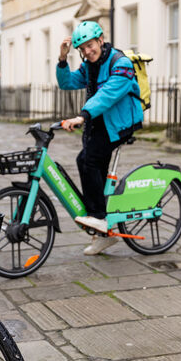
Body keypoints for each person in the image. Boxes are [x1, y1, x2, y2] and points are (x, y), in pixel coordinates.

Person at [56, 21, 144, 255]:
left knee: (91, 160)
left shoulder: (120, 63)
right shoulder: (89, 67)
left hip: (118, 124)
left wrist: (83, 115)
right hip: (99, 124)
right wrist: (63, 60)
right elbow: (67, 83)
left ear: (100, 41)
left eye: (90, 46)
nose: (87, 52)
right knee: (83, 161)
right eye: (82, 49)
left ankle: (99, 217)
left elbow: (108, 95)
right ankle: (102, 233)